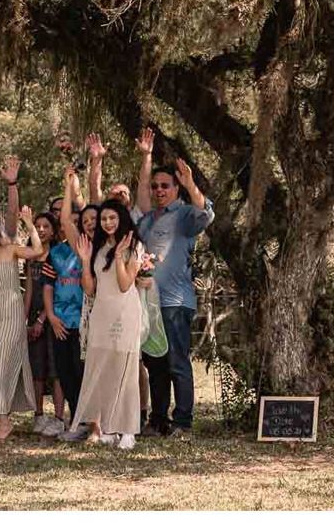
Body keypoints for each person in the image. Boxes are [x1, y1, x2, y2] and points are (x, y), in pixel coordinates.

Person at [136, 127, 213, 438]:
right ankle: (159, 420)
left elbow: (205, 213)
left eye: (165, 186)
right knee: (155, 364)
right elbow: (141, 198)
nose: (158, 190)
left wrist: (191, 184)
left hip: (175, 303)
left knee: (177, 363)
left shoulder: (183, 216)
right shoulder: (149, 219)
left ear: (176, 188)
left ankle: (183, 422)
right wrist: (146, 157)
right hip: (150, 304)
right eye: (155, 186)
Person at [62, 168, 145, 450]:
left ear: (121, 218)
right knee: (104, 369)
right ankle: (108, 427)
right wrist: (86, 261)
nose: (108, 223)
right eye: (104, 219)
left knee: (125, 370)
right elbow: (89, 290)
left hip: (125, 312)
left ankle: (128, 430)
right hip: (101, 313)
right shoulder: (96, 247)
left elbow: (124, 284)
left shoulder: (134, 245)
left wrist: (120, 257)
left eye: (112, 218)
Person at [0, 203, 46, 443]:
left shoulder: (10, 250)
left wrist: (30, 224)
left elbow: (37, 251)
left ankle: (3, 422)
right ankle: (2, 418)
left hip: (12, 311)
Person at [40, 207, 85, 436]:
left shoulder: (91, 250)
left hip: (84, 322)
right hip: (60, 322)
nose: (73, 226)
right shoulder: (56, 252)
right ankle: (76, 419)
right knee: (65, 372)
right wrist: (51, 316)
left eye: (78, 222)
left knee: (81, 370)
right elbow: (48, 286)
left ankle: (87, 420)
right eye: (71, 222)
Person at [24, 211, 59, 434]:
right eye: (37, 226)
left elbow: (55, 291)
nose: (41, 230)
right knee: (36, 368)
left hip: (53, 316)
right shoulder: (30, 256)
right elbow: (28, 290)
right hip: (34, 316)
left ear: (54, 230)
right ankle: (38, 414)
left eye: (46, 226)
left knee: (55, 368)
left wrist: (41, 319)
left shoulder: (57, 255)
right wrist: (25, 320)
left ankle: (59, 416)